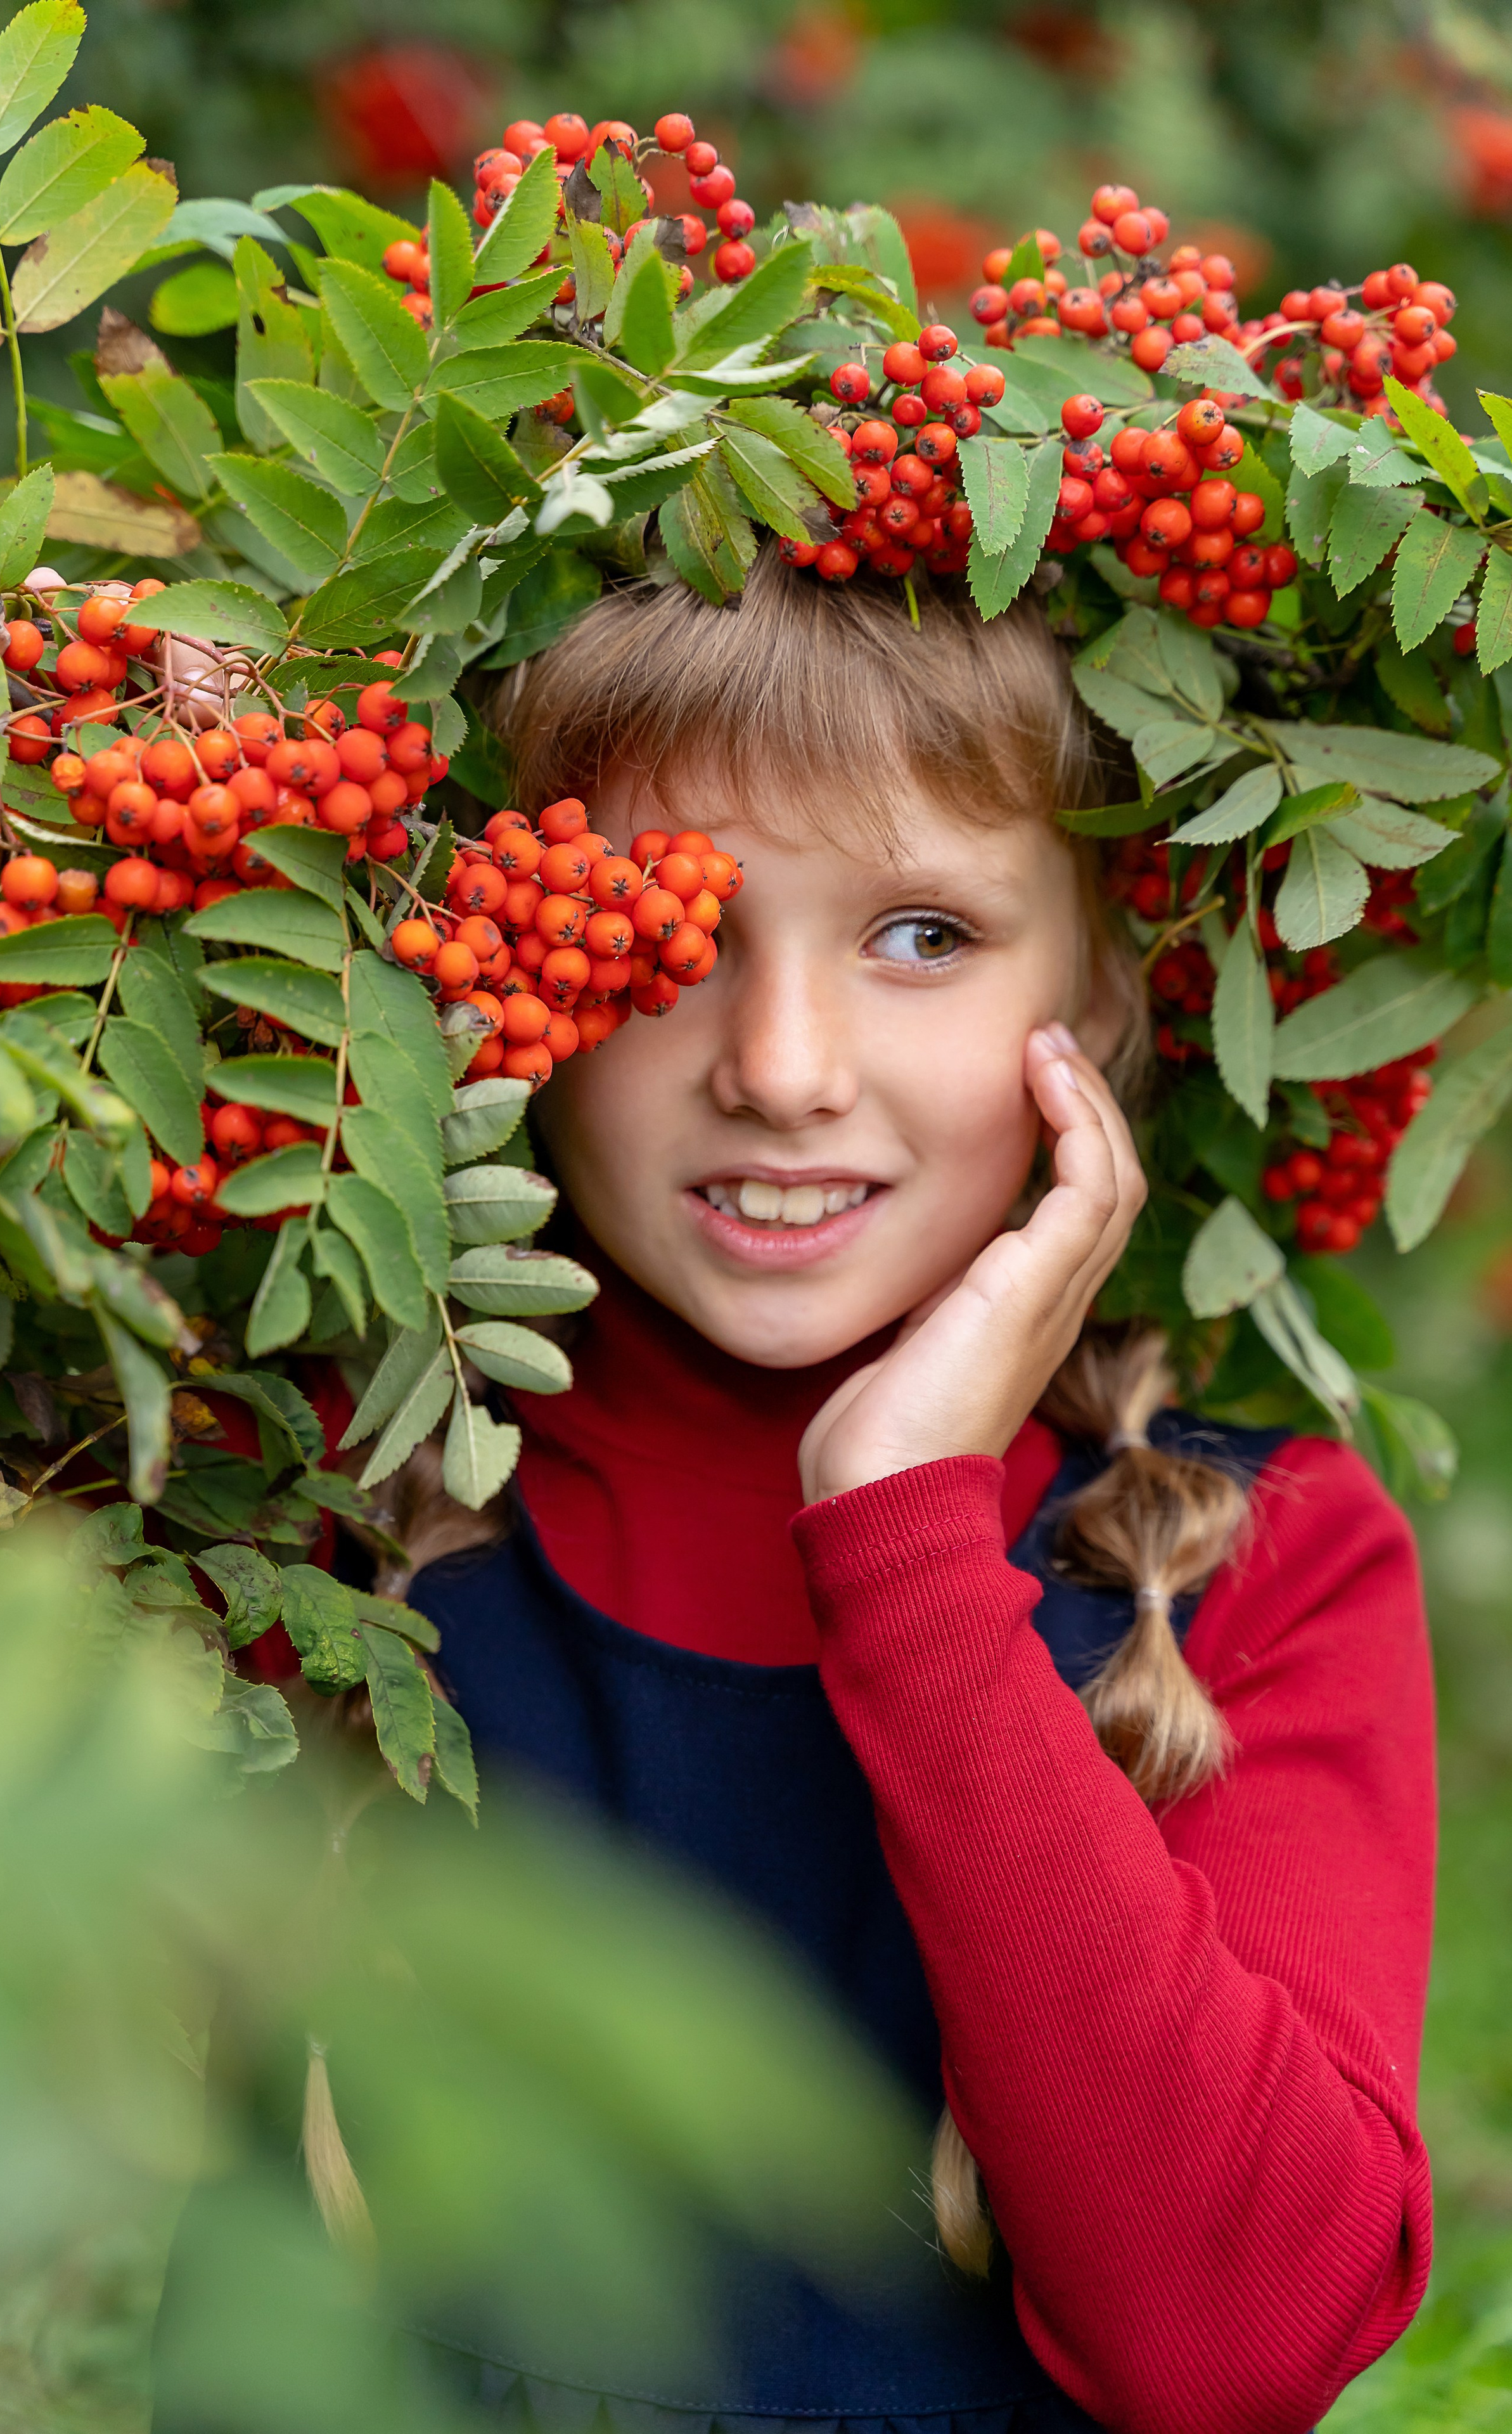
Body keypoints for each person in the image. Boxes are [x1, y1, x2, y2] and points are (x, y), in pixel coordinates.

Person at [368, 552, 1434, 2434]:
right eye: (672, 931)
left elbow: (1238, 2346)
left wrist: (907, 1537)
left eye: (924, 934)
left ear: (1105, 993)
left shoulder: (1261, 1563)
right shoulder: (296, 1530)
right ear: (500, 959)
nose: (783, 1073)